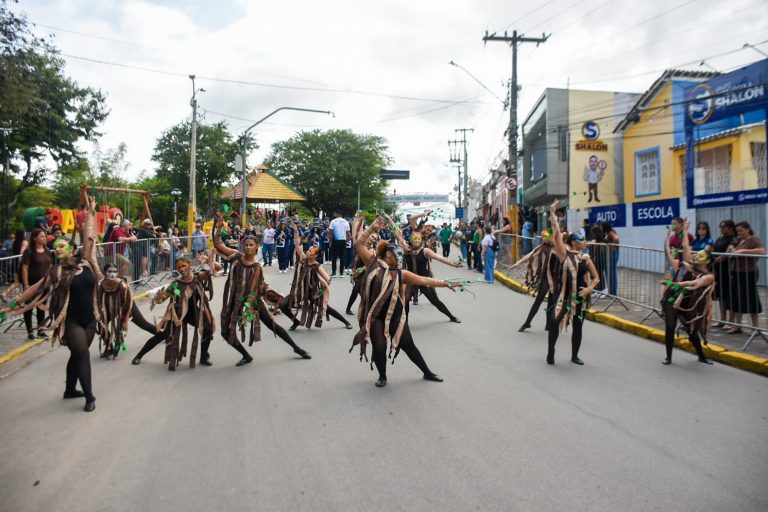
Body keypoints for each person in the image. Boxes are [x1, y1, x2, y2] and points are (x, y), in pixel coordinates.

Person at [1, 197, 101, 412]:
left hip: (90, 319)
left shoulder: (86, 262)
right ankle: (89, 397)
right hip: (71, 321)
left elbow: (88, 236)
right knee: (82, 353)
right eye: (55, 247)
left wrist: (90, 212)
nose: (57, 250)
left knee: (77, 354)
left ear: (72, 249)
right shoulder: (55, 271)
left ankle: (69, 390)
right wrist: (13, 303)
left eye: (61, 246)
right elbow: (34, 289)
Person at [350, 217, 457, 387]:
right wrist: (372, 227)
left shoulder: (401, 274)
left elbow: (425, 280)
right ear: (389, 254)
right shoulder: (372, 263)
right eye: (398, 254)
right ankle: (382, 376)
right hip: (376, 315)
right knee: (379, 346)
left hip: (395, 314)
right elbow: (359, 244)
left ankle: (427, 372)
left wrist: (447, 284)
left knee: (408, 345)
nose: (401, 257)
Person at [211, 212, 311, 364]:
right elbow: (218, 244)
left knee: (272, 325)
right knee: (226, 332)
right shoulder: (237, 256)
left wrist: (247, 310)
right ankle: (246, 356)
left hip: (252, 301)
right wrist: (218, 226)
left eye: (251, 245)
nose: (248, 247)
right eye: (246, 245)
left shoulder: (256, 267)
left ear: (257, 247)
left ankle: (297, 348)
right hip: (233, 300)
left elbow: (252, 291)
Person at [133, 257, 214, 370]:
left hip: (193, 313)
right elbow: (163, 299)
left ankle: (204, 357)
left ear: (189, 265)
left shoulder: (198, 277)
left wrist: (207, 259)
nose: (181, 269)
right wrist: (158, 298)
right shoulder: (176, 284)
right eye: (179, 267)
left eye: (183, 265)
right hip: (177, 314)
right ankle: (139, 356)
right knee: (163, 335)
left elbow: (216, 268)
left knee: (207, 329)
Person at [546, 200, 600, 365]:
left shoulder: (585, 258)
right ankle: (551, 351)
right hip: (564, 296)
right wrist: (553, 214)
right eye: (582, 240)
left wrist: (589, 289)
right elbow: (556, 234)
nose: (585, 242)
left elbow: (596, 278)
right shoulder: (564, 254)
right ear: (574, 243)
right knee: (554, 321)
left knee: (578, 325)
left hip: (580, 296)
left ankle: (574, 355)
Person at [280, 222, 352, 331]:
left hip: (312, 292)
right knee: (283, 305)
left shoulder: (317, 266)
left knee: (327, 309)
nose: (308, 253)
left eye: (311, 252)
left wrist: (318, 293)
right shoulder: (303, 259)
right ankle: (295, 321)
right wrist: (295, 232)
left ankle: (346, 322)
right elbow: (297, 245)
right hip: (300, 291)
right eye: (308, 251)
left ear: (316, 256)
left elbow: (328, 281)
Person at [661, 219, 714, 365]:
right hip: (676, 298)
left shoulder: (708, 276)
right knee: (670, 326)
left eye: (701, 256)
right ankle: (668, 357)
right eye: (697, 255)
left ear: (708, 261)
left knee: (692, 330)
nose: (696, 256)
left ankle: (701, 356)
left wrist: (676, 284)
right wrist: (683, 231)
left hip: (691, 304)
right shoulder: (691, 267)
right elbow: (685, 247)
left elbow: (694, 284)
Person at [403, 230, 463, 322]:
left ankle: (451, 317)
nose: (417, 240)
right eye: (414, 238)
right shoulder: (407, 251)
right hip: (411, 280)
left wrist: (454, 264)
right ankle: (405, 322)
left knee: (435, 301)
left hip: (424, 280)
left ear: (421, 240)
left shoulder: (425, 251)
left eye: (418, 239)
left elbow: (439, 258)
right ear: (411, 240)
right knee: (405, 300)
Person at [511, 228, 556, 332]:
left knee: (551, 302)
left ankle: (548, 325)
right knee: (538, 300)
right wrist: (518, 263)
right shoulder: (541, 247)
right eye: (542, 236)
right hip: (545, 278)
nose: (543, 238)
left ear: (552, 236)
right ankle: (527, 323)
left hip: (556, 279)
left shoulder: (559, 247)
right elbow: (530, 255)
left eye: (546, 236)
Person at [727, 221, 765, 334]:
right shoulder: (738, 240)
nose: (739, 233)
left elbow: (762, 251)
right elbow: (731, 248)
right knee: (737, 298)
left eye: (741, 231)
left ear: (747, 229)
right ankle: (737, 325)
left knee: (751, 298)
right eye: (738, 231)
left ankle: (755, 327)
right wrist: (731, 249)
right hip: (736, 272)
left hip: (749, 272)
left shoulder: (754, 240)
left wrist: (744, 251)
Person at [20, 228, 53, 340]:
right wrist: (26, 284)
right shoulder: (29, 252)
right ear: (35, 238)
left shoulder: (47, 251)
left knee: (41, 307)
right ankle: (30, 331)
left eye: (45, 236)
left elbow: (50, 266)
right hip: (32, 284)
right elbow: (25, 268)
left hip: (45, 285)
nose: (44, 238)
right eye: (41, 236)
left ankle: (40, 329)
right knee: (28, 307)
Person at [712, 220, 736, 327]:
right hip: (718, 269)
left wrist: (716, 259)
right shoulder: (720, 238)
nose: (721, 229)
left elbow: (727, 253)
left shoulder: (733, 238)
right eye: (720, 226)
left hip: (728, 269)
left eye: (723, 227)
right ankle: (722, 319)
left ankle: (731, 321)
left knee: (729, 295)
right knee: (721, 295)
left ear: (730, 228)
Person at [328, 210, 350, 277]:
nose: (334, 214)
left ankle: (334, 273)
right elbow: (348, 233)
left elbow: (330, 232)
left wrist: (330, 241)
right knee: (342, 257)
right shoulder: (346, 222)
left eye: (334, 213)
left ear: (337, 214)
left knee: (334, 257)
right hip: (343, 241)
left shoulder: (333, 221)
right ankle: (341, 273)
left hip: (335, 241)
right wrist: (346, 241)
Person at [601, 221, 620, 295]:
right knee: (610, 273)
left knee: (611, 273)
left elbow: (616, 238)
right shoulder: (610, 232)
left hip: (612, 254)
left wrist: (612, 247)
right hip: (612, 253)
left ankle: (613, 292)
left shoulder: (610, 232)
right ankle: (611, 291)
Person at [587, 225, 607, 292]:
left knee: (598, 274)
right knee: (598, 274)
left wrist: (587, 243)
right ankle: (598, 289)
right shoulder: (601, 239)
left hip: (598, 259)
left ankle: (602, 289)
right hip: (600, 258)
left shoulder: (596, 240)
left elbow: (591, 244)